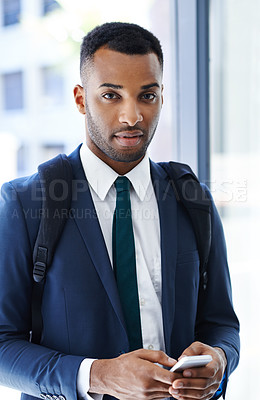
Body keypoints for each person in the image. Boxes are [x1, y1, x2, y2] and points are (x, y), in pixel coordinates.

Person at [0, 22, 239, 400]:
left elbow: (222, 324)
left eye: (148, 96)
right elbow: (2, 345)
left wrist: (220, 360)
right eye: (111, 96)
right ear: (81, 99)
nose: (132, 117)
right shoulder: (25, 202)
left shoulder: (192, 198)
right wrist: (96, 375)